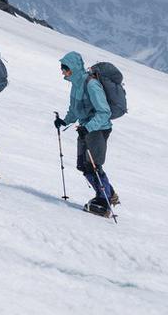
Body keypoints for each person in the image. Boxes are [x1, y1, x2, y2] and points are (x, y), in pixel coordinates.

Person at [54, 51, 119, 215]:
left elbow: (104, 112)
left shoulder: (91, 84)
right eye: (62, 67)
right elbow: (75, 109)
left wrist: (88, 128)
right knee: (83, 165)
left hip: (98, 129)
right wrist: (65, 121)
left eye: (65, 67)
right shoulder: (76, 84)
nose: (62, 71)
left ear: (74, 68)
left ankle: (104, 199)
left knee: (93, 165)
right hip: (86, 128)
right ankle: (107, 195)